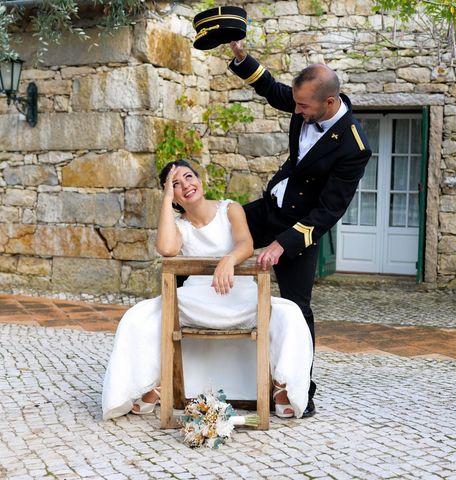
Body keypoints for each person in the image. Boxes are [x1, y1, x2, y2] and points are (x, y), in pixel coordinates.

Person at [102, 159, 313, 420]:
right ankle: (158, 381)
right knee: (138, 317)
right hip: (197, 299)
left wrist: (228, 260)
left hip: (239, 294)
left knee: (290, 315)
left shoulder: (230, 209)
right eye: (176, 185)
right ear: (173, 197)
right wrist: (166, 200)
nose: (186, 186)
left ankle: (280, 387)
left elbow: (246, 244)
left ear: (199, 180)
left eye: (189, 177)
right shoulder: (179, 226)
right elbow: (167, 249)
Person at [228, 41, 372, 417]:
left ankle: (298, 391)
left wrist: (282, 244)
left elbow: (329, 210)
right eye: (296, 103)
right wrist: (244, 60)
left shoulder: (354, 146)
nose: (295, 110)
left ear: (328, 102)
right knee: (211, 238)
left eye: (302, 106)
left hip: (299, 228)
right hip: (269, 208)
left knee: (296, 307)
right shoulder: (303, 104)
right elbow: (274, 90)